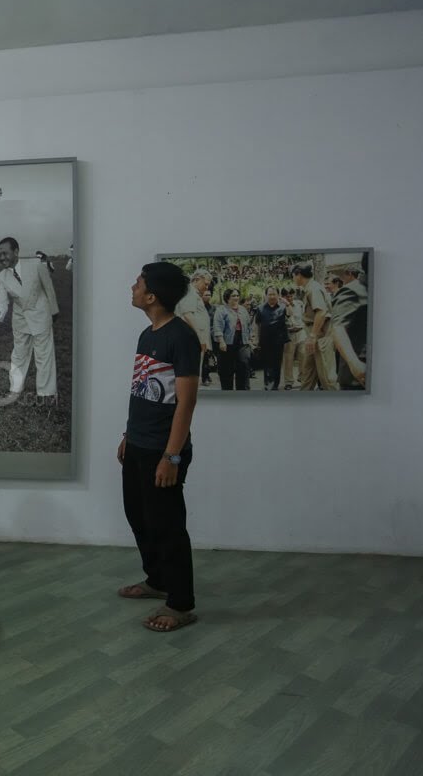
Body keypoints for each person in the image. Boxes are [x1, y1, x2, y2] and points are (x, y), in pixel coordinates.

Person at [117, 261, 200, 633]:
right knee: (140, 519)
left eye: (138, 284)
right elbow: (144, 391)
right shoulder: (147, 335)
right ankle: (157, 580)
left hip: (162, 451)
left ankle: (180, 603)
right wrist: (127, 434)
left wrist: (172, 456)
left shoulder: (180, 337)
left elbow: (186, 403)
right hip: (138, 444)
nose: (132, 287)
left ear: (152, 296)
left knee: (168, 527)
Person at [0, 237, 59, 400]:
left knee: (44, 355)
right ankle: (15, 390)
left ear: (16, 252)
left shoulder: (36, 265)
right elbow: (2, 303)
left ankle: (46, 393)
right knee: (19, 355)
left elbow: (48, 288)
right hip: (20, 319)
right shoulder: (1, 277)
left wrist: (54, 311)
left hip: (41, 315)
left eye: (5, 253)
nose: (2, 258)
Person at [291, 262, 339, 390]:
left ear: (299, 275)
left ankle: (337, 405)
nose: (293, 279)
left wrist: (312, 336)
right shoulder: (310, 287)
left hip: (319, 335)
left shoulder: (313, 288)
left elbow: (321, 312)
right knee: (308, 374)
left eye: (293, 276)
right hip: (312, 334)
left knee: (327, 378)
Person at [331, 265, 368, 389]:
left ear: (350, 274)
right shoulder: (350, 290)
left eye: (344, 276)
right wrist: (354, 363)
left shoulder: (363, 289)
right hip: (356, 370)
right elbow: (338, 327)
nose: (343, 279)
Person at [174, 269, 212, 387]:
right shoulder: (191, 292)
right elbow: (187, 314)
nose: (206, 287)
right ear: (196, 279)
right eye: (205, 284)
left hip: (194, 340)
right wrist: (200, 338)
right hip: (192, 340)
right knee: (191, 376)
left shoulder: (193, 293)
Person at [212, 288, 252, 390]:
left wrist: (250, 340)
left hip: (242, 341)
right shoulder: (221, 310)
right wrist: (221, 341)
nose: (236, 298)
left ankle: (241, 392)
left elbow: (248, 325)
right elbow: (217, 326)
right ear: (227, 298)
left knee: (243, 366)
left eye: (237, 295)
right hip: (227, 343)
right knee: (226, 370)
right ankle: (227, 394)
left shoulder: (243, 310)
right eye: (233, 296)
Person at [256, 286, 289, 390]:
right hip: (265, 340)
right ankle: (268, 384)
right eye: (270, 294)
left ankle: (275, 385)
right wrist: (256, 339)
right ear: (266, 295)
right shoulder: (260, 308)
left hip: (279, 341)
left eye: (274, 294)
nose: (272, 296)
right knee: (267, 363)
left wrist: (287, 303)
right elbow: (257, 325)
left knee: (277, 363)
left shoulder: (283, 307)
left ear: (278, 295)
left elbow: (291, 315)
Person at [280, 288, 305, 390]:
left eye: (291, 296)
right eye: (287, 296)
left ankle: (303, 378)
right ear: (283, 296)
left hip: (301, 332)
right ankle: (288, 382)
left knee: (303, 357)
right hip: (289, 334)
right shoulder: (281, 306)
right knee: (288, 359)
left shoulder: (299, 304)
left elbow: (305, 316)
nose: (289, 298)